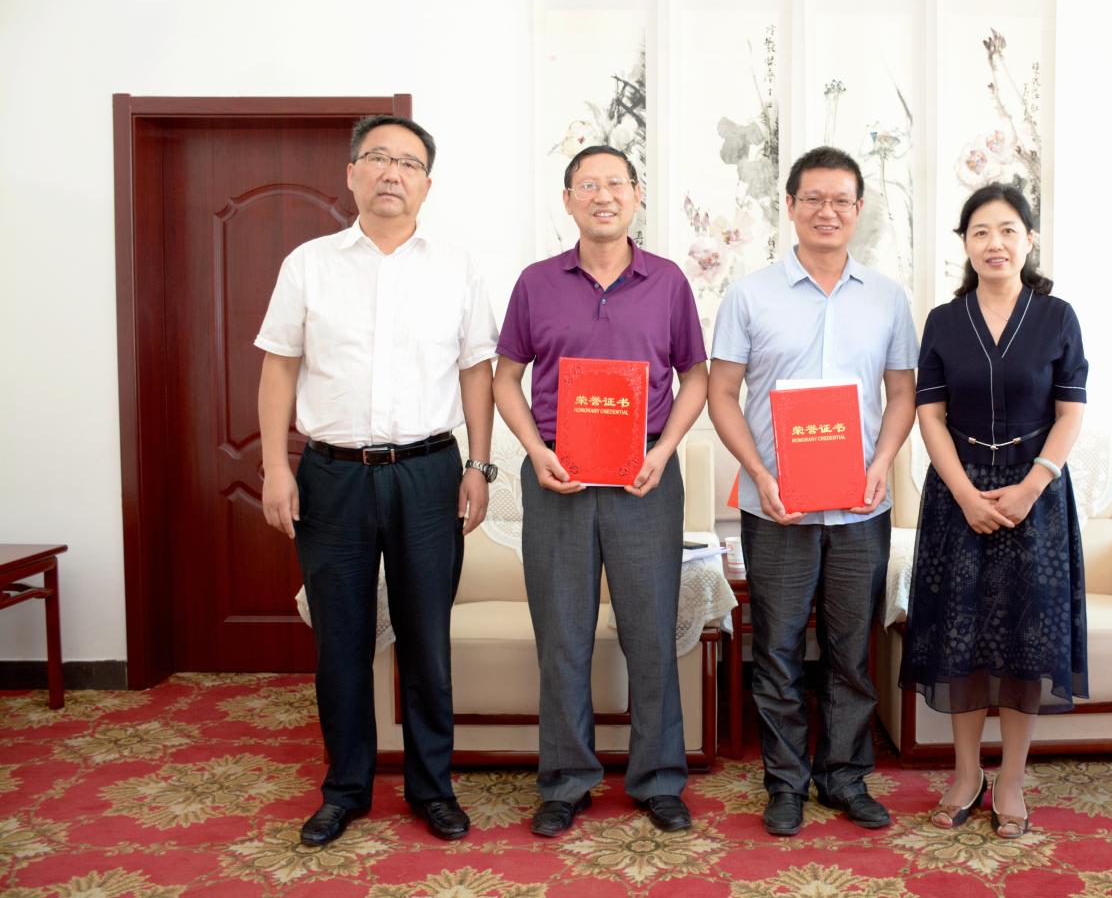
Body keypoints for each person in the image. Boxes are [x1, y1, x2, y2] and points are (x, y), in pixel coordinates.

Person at [256, 114, 499, 845]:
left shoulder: (457, 267)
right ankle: (345, 790)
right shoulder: (309, 264)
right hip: (333, 477)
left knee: (428, 640)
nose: (393, 173)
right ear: (352, 173)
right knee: (341, 642)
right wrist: (276, 466)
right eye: (378, 158)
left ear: (427, 183)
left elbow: (477, 372)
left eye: (409, 163)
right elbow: (279, 367)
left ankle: (432, 788)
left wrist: (479, 466)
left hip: (429, 473)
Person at [492, 145, 709, 837]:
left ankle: (659, 778)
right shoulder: (536, 283)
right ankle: (565, 781)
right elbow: (505, 377)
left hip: (645, 477)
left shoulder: (668, 281)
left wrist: (665, 451)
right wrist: (535, 450)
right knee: (562, 635)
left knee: (651, 632)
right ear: (568, 200)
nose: (603, 195)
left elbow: (696, 376)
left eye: (616, 183)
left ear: (637, 195)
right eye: (588, 184)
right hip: (558, 476)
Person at [708, 146, 917, 837]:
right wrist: (759, 472)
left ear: (859, 209)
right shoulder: (750, 295)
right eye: (813, 199)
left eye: (841, 200)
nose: (827, 211)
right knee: (776, 648)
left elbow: (902, 393)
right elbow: (722, 393)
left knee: (851, 650)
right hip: (777, 506)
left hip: (860, 505)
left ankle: (845, 776)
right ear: (791, 205)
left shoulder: (887, 297)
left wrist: (883, 462)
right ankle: (785, 783)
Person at [898, 182, 1088, 839]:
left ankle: (1010, 780)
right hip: (960, 494)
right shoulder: (944, 321)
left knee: (1024, 640)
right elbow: (930, 414)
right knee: (963, 635)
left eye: (1008, 230)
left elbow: (1071, 413)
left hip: (1037, 495)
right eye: (980, 231)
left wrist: (1033, 485)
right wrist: (961, 492)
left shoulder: (1057, 316)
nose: (994, 243)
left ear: (1029, 239)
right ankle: (965, 774)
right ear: (965, 243)